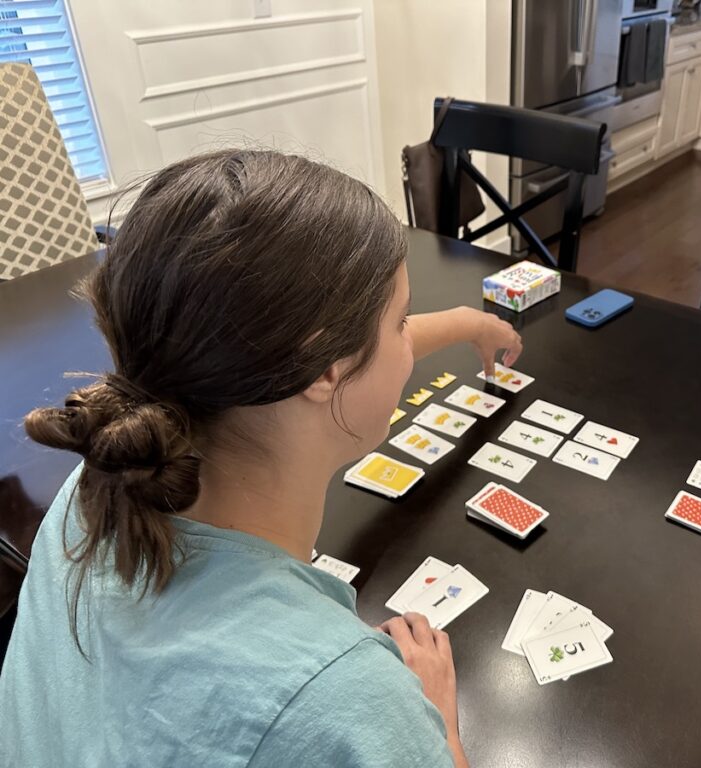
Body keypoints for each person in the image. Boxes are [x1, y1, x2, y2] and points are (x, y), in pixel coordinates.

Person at [0, 150, 524, 767]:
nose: (408, 337)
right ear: (322, 368)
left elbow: (328, 355)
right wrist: (436, 724)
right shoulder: (349, 703)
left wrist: (464, 322)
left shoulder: (92, 485)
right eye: (401, 321)